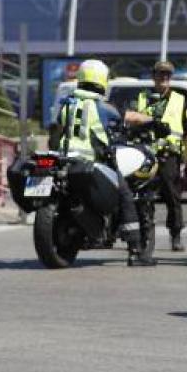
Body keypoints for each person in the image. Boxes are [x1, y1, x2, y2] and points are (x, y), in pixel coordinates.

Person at [55, 59, 153, 266]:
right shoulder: (102, 106)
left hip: (64, 159)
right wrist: (151, 121)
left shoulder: (67, 103)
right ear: (102, 80)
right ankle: (135, 251)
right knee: (125, 195)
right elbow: (124, 118)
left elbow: (57, 128)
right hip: (90, 159)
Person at [123, 60, 187, 252]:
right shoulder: (141, 98)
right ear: (153, 76)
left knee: (172, 195)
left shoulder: (179, 100)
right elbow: (128, 117)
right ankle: (141, 235)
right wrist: (147, 120)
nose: (164, 77)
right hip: (143, 154)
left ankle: (176, 234)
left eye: (167, 75)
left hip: (168, 155)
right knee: (138, 194)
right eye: (160, 74)